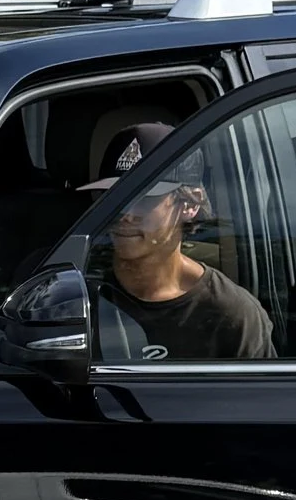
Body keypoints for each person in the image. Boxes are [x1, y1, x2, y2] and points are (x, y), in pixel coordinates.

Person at [93, 124, 275, 362]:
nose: (125, 214)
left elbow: (261, 398)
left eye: (146, 198)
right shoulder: (75, 295)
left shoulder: (232, 315)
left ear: (190, 204)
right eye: (115, 196)